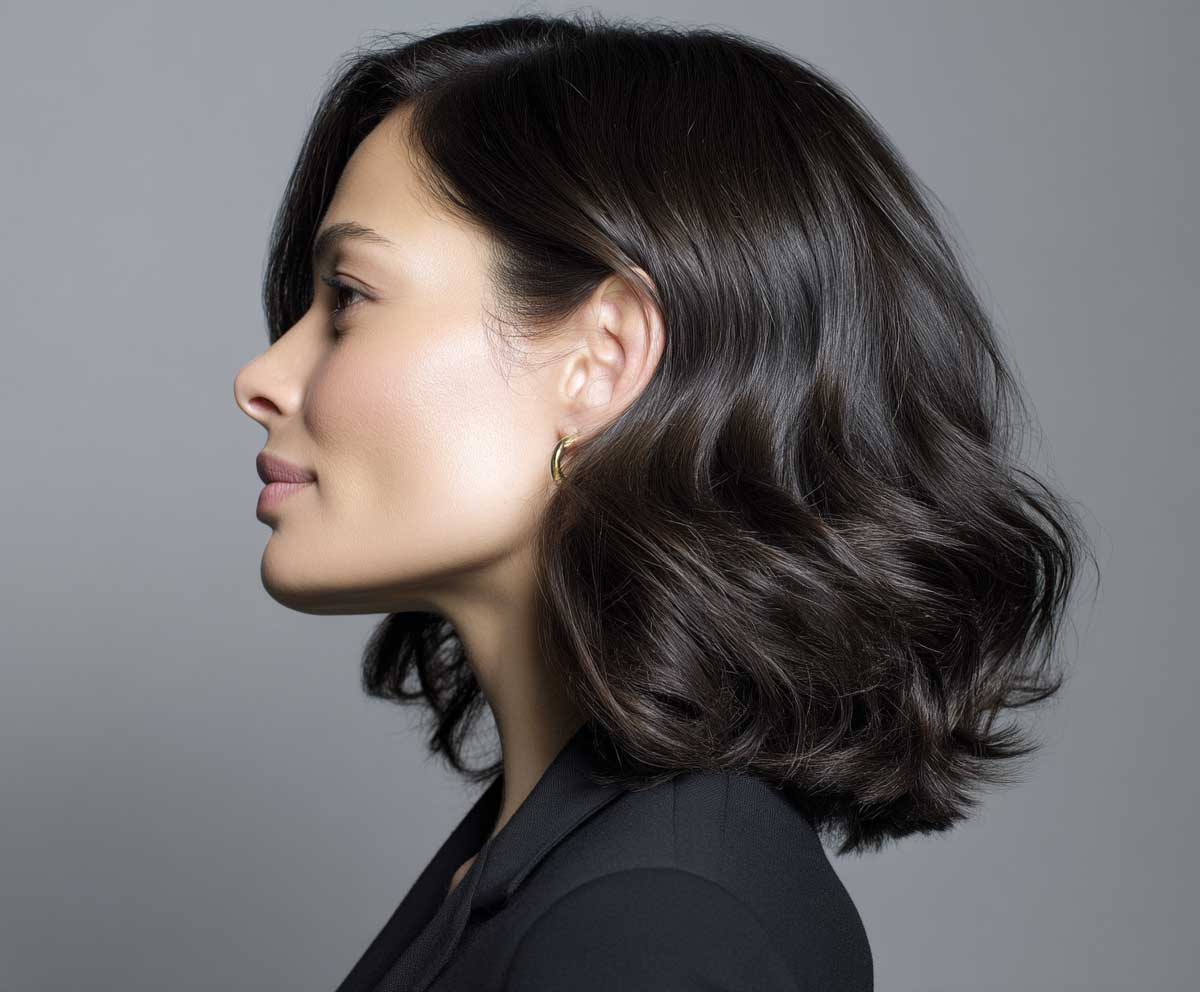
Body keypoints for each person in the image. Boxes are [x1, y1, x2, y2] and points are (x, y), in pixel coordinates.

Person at [233, 12, 1090, 991]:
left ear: (603, 359)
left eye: (348, 296)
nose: (261, 376)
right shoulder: (569, 861)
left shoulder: (653, 921)